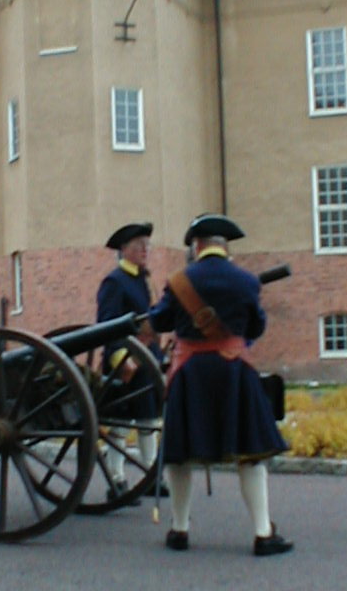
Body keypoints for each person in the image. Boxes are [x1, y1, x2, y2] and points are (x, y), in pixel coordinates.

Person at [148, 213, 293, 556]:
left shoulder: (179, 281)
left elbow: (160, 320)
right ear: (224, 246)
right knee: (251, 455)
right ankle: (263, 533)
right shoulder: (246, 281)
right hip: (234, 372)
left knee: (179, 456)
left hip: (190, 374)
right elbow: (256, 327)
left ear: (196, 246)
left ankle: (179, 530)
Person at [97, 222, 167, 502]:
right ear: (124, 249)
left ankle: (151, 476)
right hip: (125, 362)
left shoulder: (144, 279)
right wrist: (121, 360)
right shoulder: (115, 282)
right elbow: (107, 325)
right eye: (139, 245)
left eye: (147, 245)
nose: (145, 250)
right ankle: (116, 479)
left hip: (146, 359)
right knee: (120, 423)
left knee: (149, 419)